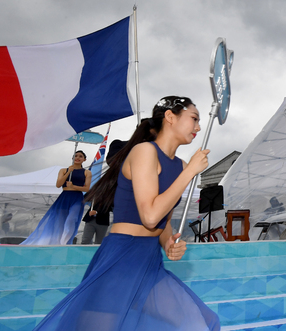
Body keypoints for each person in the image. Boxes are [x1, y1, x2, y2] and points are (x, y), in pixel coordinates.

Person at [33, 96, 220, 330]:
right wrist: (191, 171)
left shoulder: (181, 166)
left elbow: (163, 221)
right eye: (194, 118)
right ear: (170, 117)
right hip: (122, 255)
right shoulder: (144, 152)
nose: (198, 127)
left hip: (150, 259)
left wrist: (169, 244)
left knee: (203, 323)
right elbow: (150, 216)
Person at [21, 151, 91, 245]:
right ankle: (56, 241)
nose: (78, 158)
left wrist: (73, 186)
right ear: (72, 158)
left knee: (72, 218)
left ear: (84, 159)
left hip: (77, 198)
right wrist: (69, 172)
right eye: (75, 156)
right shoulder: (63, 170)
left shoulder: (87, 172)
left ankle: (65, 241)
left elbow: (86, 188)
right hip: (64, 196)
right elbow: (58, 184)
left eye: (80, 156)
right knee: (60, 221)